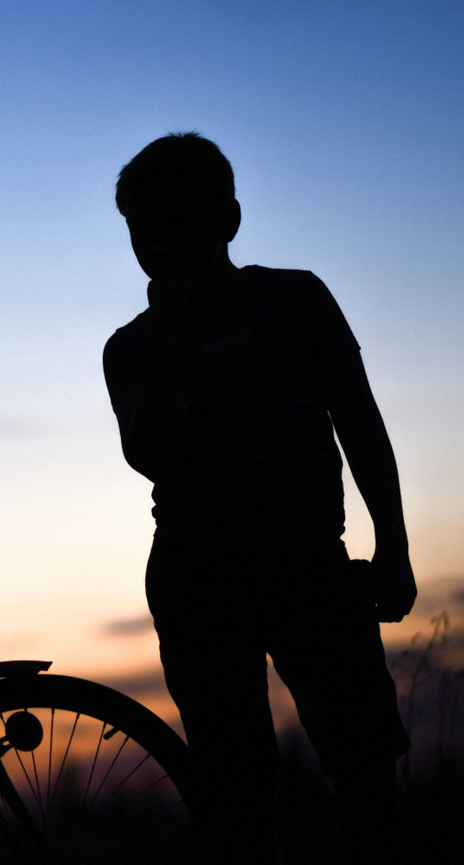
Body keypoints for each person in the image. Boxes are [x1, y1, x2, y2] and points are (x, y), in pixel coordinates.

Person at [102, 132, 415, 865]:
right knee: (233, 787)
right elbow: (156, 455)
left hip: (310, 563)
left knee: (364, 764)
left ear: (228, 220)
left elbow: (359, 420)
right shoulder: (132, 346)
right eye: (143, 229)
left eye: (179, 223)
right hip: (198, 574)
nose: (160, 243)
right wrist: (173, 329)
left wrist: (393, 544)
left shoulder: (296, 298)